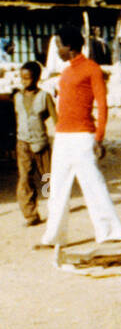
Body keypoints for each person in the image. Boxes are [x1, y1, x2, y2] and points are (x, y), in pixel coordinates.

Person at [39, 25, 121, 249]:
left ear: (69, 47)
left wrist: (99, 137)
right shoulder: (66, 71)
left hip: (83, 137)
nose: (57, 50)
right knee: (56, 187)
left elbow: (102, 104)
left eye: (59, 45)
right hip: (63, 137)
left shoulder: (92, 69)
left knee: (93, 185)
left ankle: (109, 231)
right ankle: (54, 236)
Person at [14, 61, 57, 227]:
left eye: (28, 78)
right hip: (23, 144)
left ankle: (54, 209)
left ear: (37, 78)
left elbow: (54, 119)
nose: (25, 82)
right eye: (22, 78)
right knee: (25, 179)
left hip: (41, 144)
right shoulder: (17, 97)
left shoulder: (44, 97)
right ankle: (31, 215)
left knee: (47, 178)